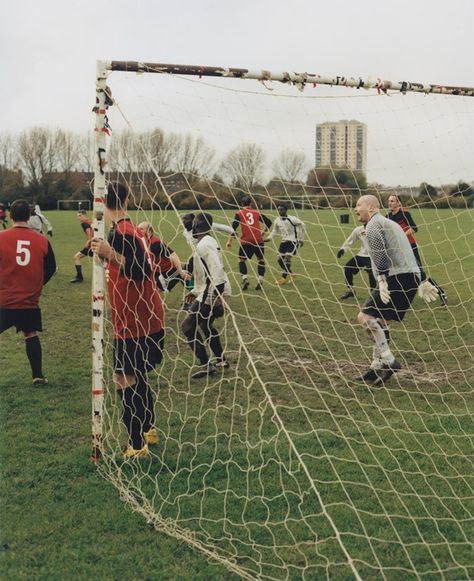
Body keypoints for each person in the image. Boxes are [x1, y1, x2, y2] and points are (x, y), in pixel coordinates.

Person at [90, 182, 165, 459]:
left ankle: (136, 446)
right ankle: (149, 429)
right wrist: (104, 255)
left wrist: (110, 254)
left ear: (99, 200)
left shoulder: (123, 232)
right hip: (145, 315)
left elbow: (141, 269)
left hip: (134, 320)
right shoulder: (130, 229)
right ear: (128, 199)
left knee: (122, 377)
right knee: (137, 373)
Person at [354, 194, 438, 386]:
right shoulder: (387, 223)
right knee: (381, 321)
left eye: (359, 205)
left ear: (372, 207)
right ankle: (376, 366)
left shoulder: (374, 224)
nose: (355, 209)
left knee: (365, 317)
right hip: (407, 276)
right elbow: (407, 252)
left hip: (397, 277)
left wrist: (382, 280)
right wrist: (421, 278)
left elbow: (380, 256)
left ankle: (389, 361)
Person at [0, 199, 56, 386]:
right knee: (30, 334)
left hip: (4, 299)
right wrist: (37, 284)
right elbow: (51, 267)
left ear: (10, 215)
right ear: (29, 216)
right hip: (29, 300)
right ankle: (37, 376)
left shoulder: (1, 237)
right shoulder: (42, 240)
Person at [181, 213, 231, 379]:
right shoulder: (206, 242)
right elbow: (206, 272)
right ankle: (221, 360)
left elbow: (216, 272)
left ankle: (206, 365)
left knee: (188, 326)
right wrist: (195, 291)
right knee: (205, 325)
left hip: (214, 290)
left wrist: (217, 297)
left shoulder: (205, 245)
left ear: (196, 225)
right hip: (211, 289)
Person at [387, 194, 447, 306]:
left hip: (410, 247)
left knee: (420, 273)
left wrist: (402, 236)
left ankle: (441, 292)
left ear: (398, 202)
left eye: (392, 201)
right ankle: (396, 297)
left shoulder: (405, 214)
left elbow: (414, 228)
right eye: (389, 201)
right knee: (397, 271)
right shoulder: (388, 217)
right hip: (397, 249)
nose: (390, 203)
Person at [226, 196, 272, 291]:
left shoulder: (239, 213)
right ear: (251, 203)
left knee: (241, 260)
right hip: (258, 240)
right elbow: (268, 222)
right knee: (261, 260)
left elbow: (233, 228)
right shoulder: (256, 212)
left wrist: (229, 241)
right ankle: (260, 279)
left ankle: (245, 279)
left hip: (246, 241)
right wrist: (262, 233)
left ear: (241, 204)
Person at [137, 221, 189, 292]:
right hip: (157, 271)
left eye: (141, 229)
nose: (138, 230)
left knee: (154, 291)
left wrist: (180, 271)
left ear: (149, 231)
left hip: (170, 270)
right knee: (148, 289)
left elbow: (173, 255)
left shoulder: (156, 244)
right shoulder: (143, 242)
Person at [265, 204, 306, 286]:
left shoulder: (292, 219)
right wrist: (269, 238)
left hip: (293, 241)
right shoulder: (277, 220)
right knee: (279, 259)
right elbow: (274, 231)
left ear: (286, 210)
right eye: (279, 210)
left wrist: (301, 239)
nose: (280, 211)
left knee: (287, 257)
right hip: (284, 241)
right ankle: (291, 274)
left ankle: (283, 278)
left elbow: (303, 224)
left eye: (282, 210)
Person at [337, 225, 376, 299]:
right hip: (362, 255)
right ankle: (350, 291)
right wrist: (343, 249)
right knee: (348, 268)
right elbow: (350, 239)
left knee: (371, 271)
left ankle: (374, 295)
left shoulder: (377, 228)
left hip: (374, 256)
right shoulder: (358, 230)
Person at [70, 210, 94, 283]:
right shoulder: (90, 221)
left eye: (80, 215)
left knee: (77, 257)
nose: (79, 217)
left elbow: (89, 232)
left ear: (84, 215)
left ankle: (79, 277)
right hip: (96, 243)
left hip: (92, 245)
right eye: (78, 216)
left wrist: (88, 241)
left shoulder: (84, 223)